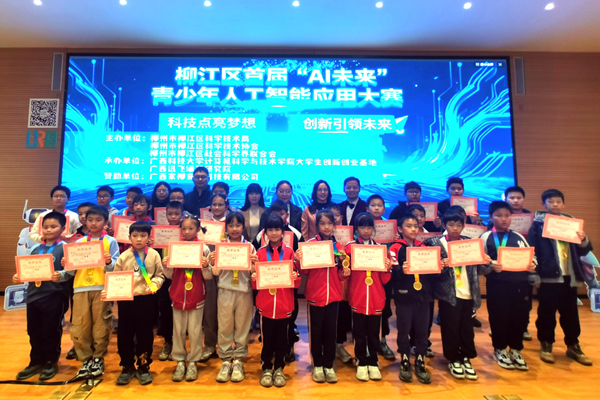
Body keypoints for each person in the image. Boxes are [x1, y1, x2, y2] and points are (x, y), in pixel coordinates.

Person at [423, 208, 492, 380]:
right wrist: (440, 265)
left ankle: (466, 357)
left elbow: (481, 269)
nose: (455, 228)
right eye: (451, 225)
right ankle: (453, 359)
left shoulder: (470, 243)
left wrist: (486, 262)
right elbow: (429, 270)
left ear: (463, 226)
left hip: (469, 292)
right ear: (444, 225)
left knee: (467, 327)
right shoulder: (434, 242)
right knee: (450, 327)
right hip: (448, 294)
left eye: (459, 225)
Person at [528, 189, 593, 366]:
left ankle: (573, 345)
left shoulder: (572, 223)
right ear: (543, 204)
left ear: (563, 204)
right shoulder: (538, 225)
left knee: (571, 313)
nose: (555, 204)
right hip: (548, 277)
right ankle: (546, 344)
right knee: (546, 313)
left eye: (558, 201)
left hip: (569, 277)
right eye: (551, 201)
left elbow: (584, 250)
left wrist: (583, 239)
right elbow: (532, 250)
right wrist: (535, 275)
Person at [60, 206, 120, 378]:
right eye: (90, 220)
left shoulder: (110, 241)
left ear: (105, 222)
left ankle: (98, 358)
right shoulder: (78, 243)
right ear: (85, 221)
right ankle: (86, 359)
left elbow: (116, 267)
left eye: (98, 220)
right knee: (80, 325)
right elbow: (71, 272)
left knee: (101, 324)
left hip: (102, 287)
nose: (94, 223)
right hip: (80, 288)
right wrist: (66, 264)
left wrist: (108, 262)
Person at [295, 209, 350, 384]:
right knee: (316, 331)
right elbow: (304, 271)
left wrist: (345, 273)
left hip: (334, 295)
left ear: (334, 225)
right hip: (315, 295)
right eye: (322, 223)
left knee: (331, 331)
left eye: (329, 223)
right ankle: (317, 364)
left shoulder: (339, 247)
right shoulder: (310, 245)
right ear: (317, 225)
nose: (326, 227)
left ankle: (328, 364)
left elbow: (341, 273)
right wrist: (298, 260)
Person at [14, 212, 70, 381]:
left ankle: (51, 362)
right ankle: (35, 361)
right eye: (45, 227)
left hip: (54, 295)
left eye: (53, 227)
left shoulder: (65, 248)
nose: (48, 230)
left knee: (51, 330)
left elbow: (71, 271)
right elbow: (27, 269)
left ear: (63, 228)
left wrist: (61, 275)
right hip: (33, 296)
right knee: (34, 331)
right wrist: (18, 276)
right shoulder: (34, 249)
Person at [481, 201, 536, 371]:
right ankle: (499, 349)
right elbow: (479, 263)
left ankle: (516, 350)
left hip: (520, 284)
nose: (503, 219)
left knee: (519, 318)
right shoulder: (486, 237)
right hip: (497, 285)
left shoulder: (518, 237)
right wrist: (490, 266)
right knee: (499, 317)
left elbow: (531, 257)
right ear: (491, 217)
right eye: (498, 215)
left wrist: (532, 265)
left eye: (507, 215)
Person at [109, 221, 164, 385]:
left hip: (146, 299)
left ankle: (143, 365)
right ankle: (126, 365)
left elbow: (159, 275)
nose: (139, 239)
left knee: (145, 333)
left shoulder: (154, 255)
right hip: (126, 300)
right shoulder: (124, 256)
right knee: (124, 333)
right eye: (135, 235)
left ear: (149, 237)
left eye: (143, 235)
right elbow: (116, 278)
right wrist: (112, 291)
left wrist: (154, 285)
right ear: (129, 237)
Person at [209, 212, 258, 383]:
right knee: (225, 325)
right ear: (226, 228)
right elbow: (216, 273)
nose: (235, 229)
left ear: (243, 227)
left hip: (244, 292)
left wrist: (254, 264)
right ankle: (225, 359)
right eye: (231, 225)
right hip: (225, 290)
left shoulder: (250, 247)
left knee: (242, 326)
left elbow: (254, 272)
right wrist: (213, 262)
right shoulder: (220, 247)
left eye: (238, 225)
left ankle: (238, 360)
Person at [162, 217, 212, 382]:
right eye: (184, 229)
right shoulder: (175, 248)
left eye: (191, 228)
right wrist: (165, 266)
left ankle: (193, 362)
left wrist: (206, 266)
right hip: (177, 295)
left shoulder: (204, 249)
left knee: (195, 331)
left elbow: (208, 276)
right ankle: (180, 361)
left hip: (196, 295)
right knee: (178, 331)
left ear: (198, 229)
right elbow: (169, 275)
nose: (187, 232)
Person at [253, 214, 301, 388]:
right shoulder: (259, 253)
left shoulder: (290, 253)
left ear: (283, 232)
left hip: (284, 304)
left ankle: (279, 368)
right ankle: (266, 367)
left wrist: (295, 277)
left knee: (282, 339)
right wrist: (253, 276)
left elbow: (296, 281)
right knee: (267, 340)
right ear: (265, 233)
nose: (274, 233)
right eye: (270, 230)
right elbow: (255, 283)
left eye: (277, 229)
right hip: (266, 305)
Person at [345, 212, 392, 382]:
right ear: (356, 229)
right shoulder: (350, 248)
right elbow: (345, 273)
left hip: (376, 297)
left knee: (373, 333)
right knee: (358, 332)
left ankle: (373, 361)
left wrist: (387, 268)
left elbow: (385, 279)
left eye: (369, 227)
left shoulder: (381, 249)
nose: (366, 231)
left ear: (373, 229)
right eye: (362, 227)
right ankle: (361, 361)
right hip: (358, 296)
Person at [389, 213, 435, 384]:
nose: (414, 229)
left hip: (424, 295)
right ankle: (405, 359)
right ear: (400, 229)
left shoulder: (424, 247)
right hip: (404, 296)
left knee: (422, 329)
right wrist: (401, 270)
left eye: (416, 226)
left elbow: (432, 272)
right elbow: (391, 273)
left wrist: (440, 266)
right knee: (404, 329)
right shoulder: (395, 248)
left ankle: (420, 360)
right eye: (409, 226)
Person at [198, 193, 230, 363]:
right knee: (209, 308)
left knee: (227, 310)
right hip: (209, 270)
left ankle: (227, 346)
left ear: (226, 206)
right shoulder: (203, 225)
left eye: (220, 204)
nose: (217, 207)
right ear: (210, 207)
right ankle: (210, 344)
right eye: (214, 204)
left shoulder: (231, 223)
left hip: (228, 271)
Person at [366, 194, 396, 360]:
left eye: (379, 205)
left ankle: (382, 341)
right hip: (365, 276)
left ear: (384, 209)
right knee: (365, 309)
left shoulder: (390, 228)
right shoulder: (362, 227)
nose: (376, 208)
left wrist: (395, 241)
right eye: (373, 205)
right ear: (367, 208)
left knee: (384, 309)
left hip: (383, 276)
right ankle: (366, 343)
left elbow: (393, 253)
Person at [156, 201, 186, 362]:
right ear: (165, 214)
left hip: (184, 277)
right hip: (165, 277)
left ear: (182, 214)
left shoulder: (186, 232)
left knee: (182, 312)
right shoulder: (160, 233)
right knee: (166, 310)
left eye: (176, 214)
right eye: (170, 214)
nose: (173, 217)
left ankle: (180, 345)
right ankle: (168, 342)